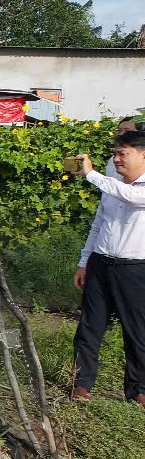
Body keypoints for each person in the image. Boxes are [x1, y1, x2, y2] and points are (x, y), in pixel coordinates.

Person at [71, 129, 145, 405]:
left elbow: (132, 196)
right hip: (101, 264)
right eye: (114, 154)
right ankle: (81, 383)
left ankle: (139, 390)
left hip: (136, 269)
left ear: (143, 155)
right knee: (90, 326)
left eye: (122, 154)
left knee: (137, 330)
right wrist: (84, 262)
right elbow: (98, 225)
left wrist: (91, 174)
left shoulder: (122, 188)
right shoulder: (112, 187)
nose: (116, 159)